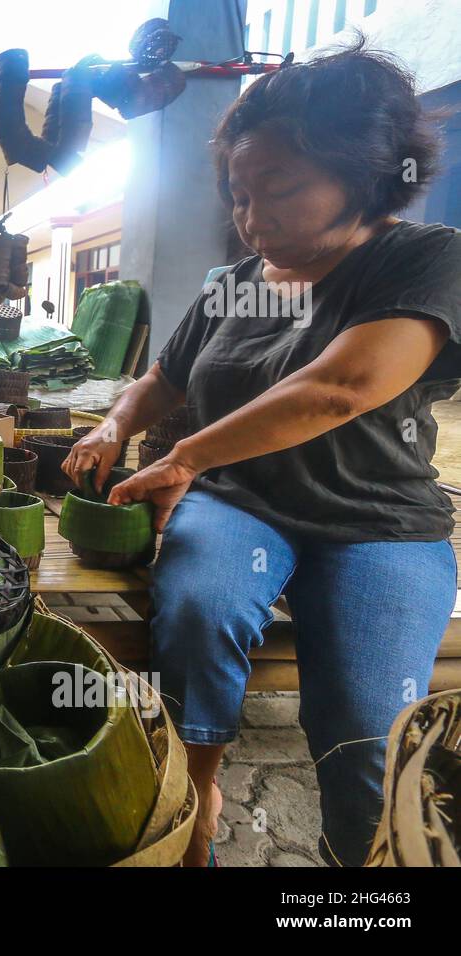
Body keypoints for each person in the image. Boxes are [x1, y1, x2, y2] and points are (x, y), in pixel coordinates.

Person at [64, 40, 461, 866]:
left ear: (366, 174)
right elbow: (162, 381)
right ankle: (194, 792)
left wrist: (183, 459)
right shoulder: (233, 282)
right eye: (240, 194)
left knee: (368, 732)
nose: (251, 215)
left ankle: (365, 866)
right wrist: (115, 423)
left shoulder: (425, 258)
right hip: (240, 502)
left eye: (277, 188)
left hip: (379, 522)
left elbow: (342, 386)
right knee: (202, 607)